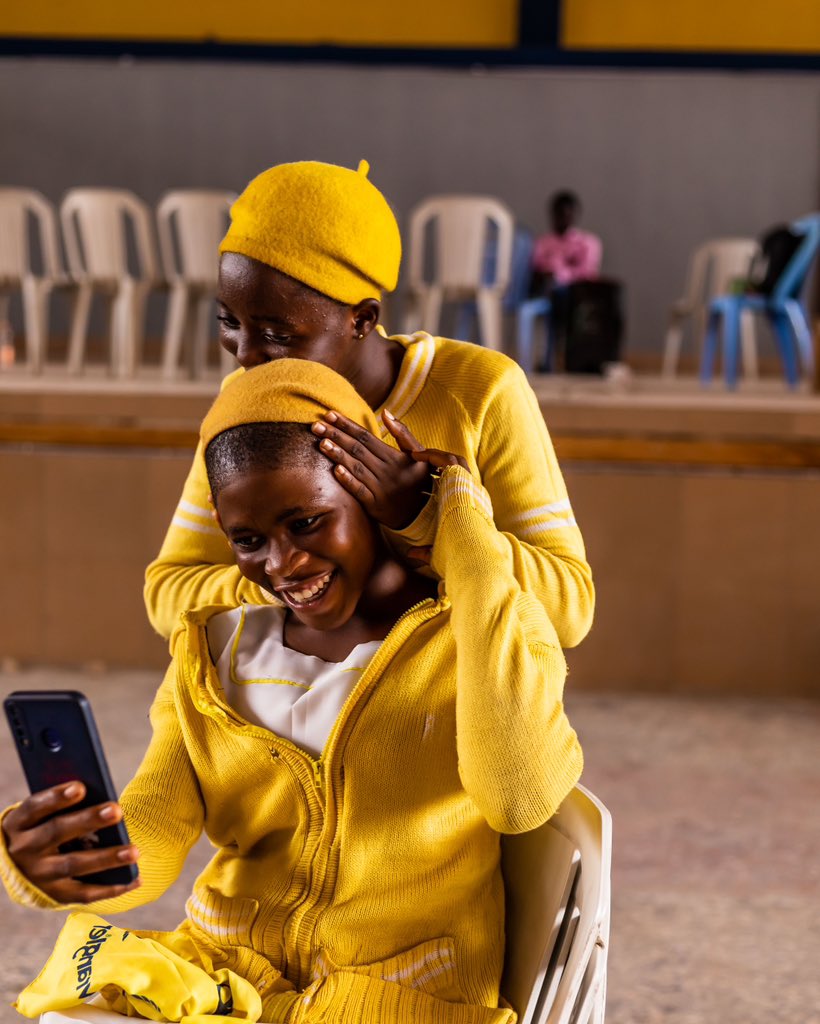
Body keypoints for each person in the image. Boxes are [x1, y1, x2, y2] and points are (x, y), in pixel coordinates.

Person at [1, 359, 584, 1024]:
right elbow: (158, 828)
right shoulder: (216, 646)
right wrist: (74, 860)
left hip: (401, 999)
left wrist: (462, 524)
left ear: (369, 494)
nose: (282, 566)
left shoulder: (486, 630)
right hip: (227, 980)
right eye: (249, 541)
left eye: (306, 522)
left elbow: (517, 796)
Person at [144, 160, 594, 651]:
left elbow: (569, 609)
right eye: (229, 321)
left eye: (278, 334)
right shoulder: (245, 403)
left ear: (361, 319)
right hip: (297, 712)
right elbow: (169, 592)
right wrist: (298, 583)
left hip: (442, 710)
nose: (247, 355)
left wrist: (427, 520)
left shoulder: (480, 391)